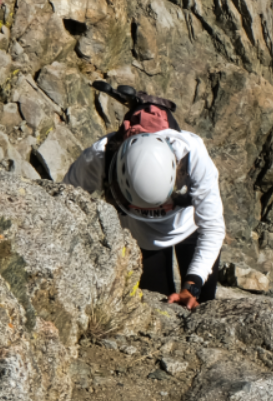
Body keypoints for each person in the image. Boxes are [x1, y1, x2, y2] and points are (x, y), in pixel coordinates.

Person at [63, 87, 224, 309]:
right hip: (142, 238)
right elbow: (65, 199)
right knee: (155, 308)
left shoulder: (192, 154)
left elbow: (212, 227)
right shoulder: (99, 156)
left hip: (189, 226)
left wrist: (192, 285)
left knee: (202, 304)